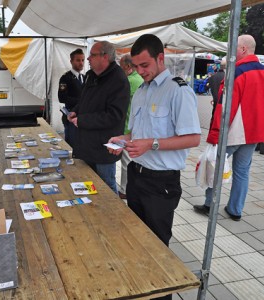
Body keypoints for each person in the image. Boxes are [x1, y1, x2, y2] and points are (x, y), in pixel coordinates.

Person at [108, 34, 201, 251]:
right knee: (136, 235)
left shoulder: (178, 90)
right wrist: (122, 139)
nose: (140, 71)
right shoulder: (141, 91)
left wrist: (151, 144)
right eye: (136, 66)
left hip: (161, 182)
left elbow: (193, 138)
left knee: (157, 244)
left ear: (161, 58)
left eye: (144, 65)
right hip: (136, 174)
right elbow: (137, 133)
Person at [193, 35, 264, 221]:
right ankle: (235, 209)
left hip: (234, 132)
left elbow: (225, 108)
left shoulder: (236, 72)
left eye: (233, 47)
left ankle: (209, 204)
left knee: (215, 165)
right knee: (242, 172)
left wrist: (215, 134)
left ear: (243, 49)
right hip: (254, 132)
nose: (230, 51)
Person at [68, 41, 130, 193]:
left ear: (105, 57)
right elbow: (84, 100)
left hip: (104, 149)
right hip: (86, 144)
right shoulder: (92, 75)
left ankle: (113, 217)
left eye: (92, 55)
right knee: (87, 185)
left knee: (106, 186)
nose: (88, 59)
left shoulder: (118, 80)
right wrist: (76, 111)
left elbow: (114, 115)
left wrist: (83, 120)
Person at [118, 54, 143, 199]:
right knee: (132, 161)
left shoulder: (130, 81)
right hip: (135, 128)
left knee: (126, 162)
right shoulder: (139, 80)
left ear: (127, 66)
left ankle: (124, 190)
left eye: (121, 67)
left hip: (128, 127)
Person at [58, 48, 85, 148]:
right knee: (71, 145)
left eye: (82, 60)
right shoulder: (65, 78)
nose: (81, 63)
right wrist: (82, 102)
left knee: (81, 145)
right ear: (71, 61)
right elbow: (62, 98)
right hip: (70, 116)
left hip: (82, 117)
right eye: (78, 60)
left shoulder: (84, 77)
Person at [207, 58, 226, 124]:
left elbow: (206, 88)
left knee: (213, 122)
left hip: (215, 103)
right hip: (223, 105)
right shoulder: (227, 77)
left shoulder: (213, 77)